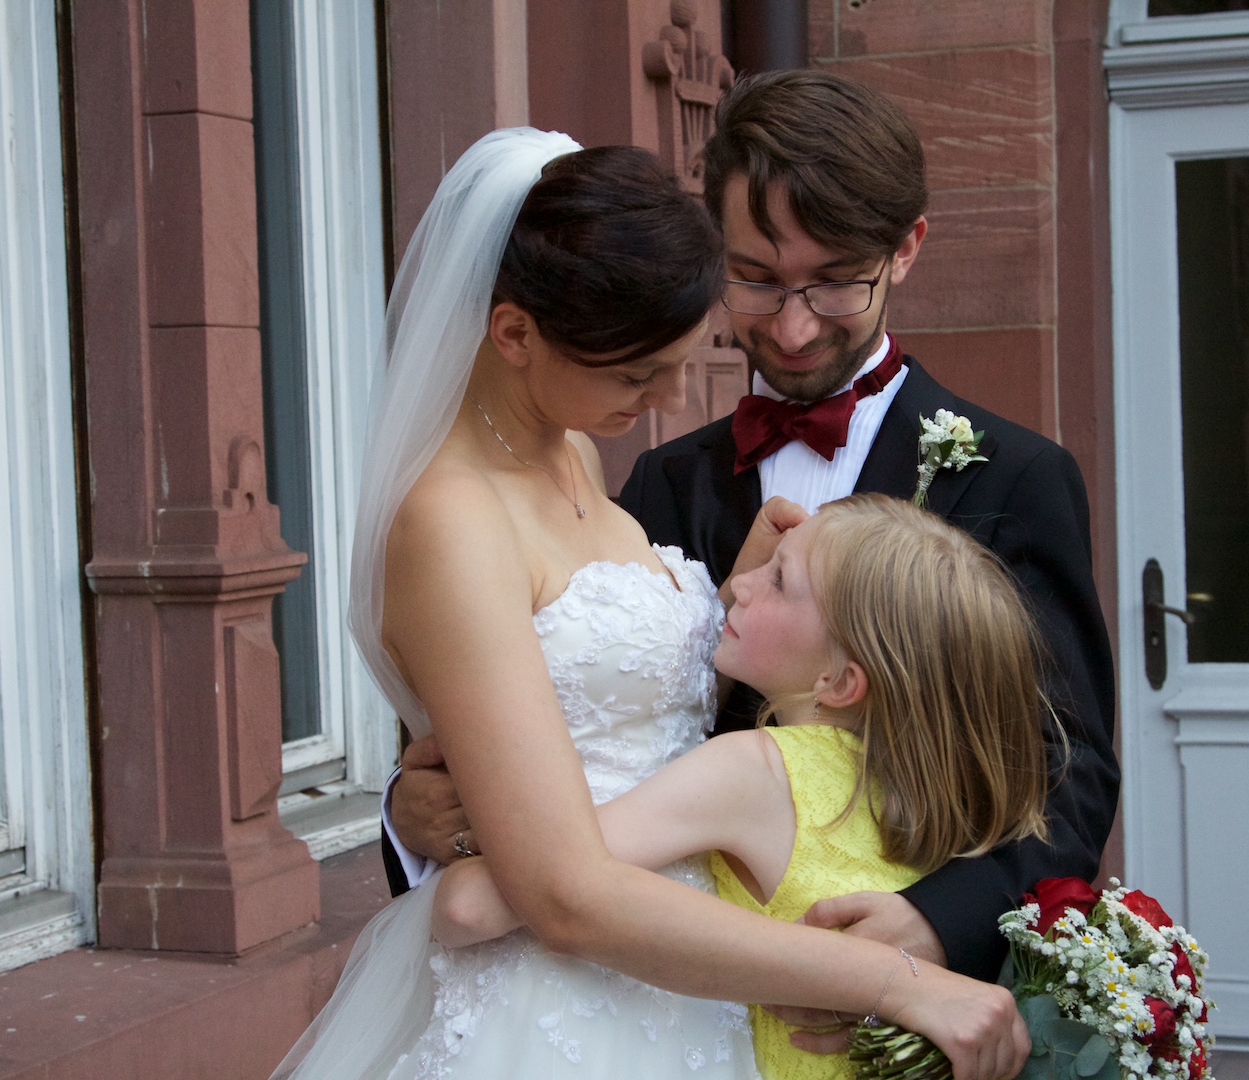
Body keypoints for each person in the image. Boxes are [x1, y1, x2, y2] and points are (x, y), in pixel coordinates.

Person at [272, 129, 1028, 1080]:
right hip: (560, 1002)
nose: (671, 397)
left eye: (680, 360)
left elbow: (623, 715)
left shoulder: (574, 452)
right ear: (514, 334)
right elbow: (560, 889)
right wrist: (894, 983)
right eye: (638, 373)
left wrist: (728, 603)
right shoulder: (449, 520)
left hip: (693, 971)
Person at [389, 68, 1118, 1021]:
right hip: (663, 979)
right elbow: (591, 720)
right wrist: (416, 821)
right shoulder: (661, 480)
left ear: (905, 250)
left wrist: (937, 923)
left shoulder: (1015, 478)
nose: (794, 325)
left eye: (834, 281)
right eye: (758, 281)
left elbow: (1068, 768)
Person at [429, 493, 1058, 1080]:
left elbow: (471, 907)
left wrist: (472, 844)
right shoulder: (912, 790)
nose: (744, 584)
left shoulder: (755, 771)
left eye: (780, 579)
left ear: (840, 682)